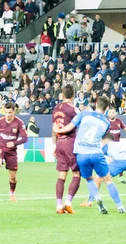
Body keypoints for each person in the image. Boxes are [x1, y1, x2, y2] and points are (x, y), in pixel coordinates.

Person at [55, 96, 126, 214]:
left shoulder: (84, 114)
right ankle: (120, 206)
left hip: (81, 154)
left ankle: (96, 198)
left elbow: (70, 127)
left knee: (89, 179)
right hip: (96, 153)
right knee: (108, 180)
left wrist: (59, 131)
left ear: (96, 104)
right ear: (107, 108)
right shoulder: (106, 122)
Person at [0, 102, 28, 202]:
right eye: (6, 112)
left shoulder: (19, 123)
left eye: (10, 112)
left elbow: (25, 138)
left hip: (11, 152)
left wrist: (14, 143)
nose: (8, 115)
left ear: (14, 111)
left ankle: (12, 193)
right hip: (0, 147)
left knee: (13, 177)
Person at [51, 85, 81, 214]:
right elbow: (81, 124)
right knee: (76, 174)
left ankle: (58, 205)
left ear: (62, 95)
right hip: (70, 142)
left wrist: (55, 144)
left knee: (61, 175)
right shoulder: (73, 109)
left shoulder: (56, 108)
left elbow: (54, 128)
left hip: (59, 143)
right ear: (73, 95)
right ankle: (68, 202)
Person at [95, 133, 126, 206]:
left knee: (99, 177)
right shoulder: (118, 144)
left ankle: (90, 200)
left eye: (101, 142)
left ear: (104, 140)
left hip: (121, 161)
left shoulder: (107, 145)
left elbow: (98, 157)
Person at [107, 108, 126, 183]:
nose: (111, 114)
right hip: (109, 145)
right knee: (109, 161)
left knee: (120, 159)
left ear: (115, 113)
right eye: (110, 112)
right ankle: (106, 176)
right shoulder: (106, 122)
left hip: (117, 144)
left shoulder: (118, 121)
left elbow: (125, 128)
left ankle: (120, 176)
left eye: (112, 112)